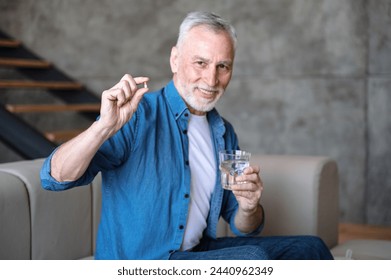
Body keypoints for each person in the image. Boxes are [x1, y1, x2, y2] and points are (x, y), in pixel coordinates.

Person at [40, 11, 333, 260]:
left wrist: (249, 206)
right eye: (201, 63)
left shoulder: (223, 132)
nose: (211, 79)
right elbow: (54, 177)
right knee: (252, 260)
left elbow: (244, 225)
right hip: (144, 264)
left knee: (310, 248)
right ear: (175, 60)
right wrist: (103, 126)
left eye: (223, 66)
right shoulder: (139, 115)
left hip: (196, 254)